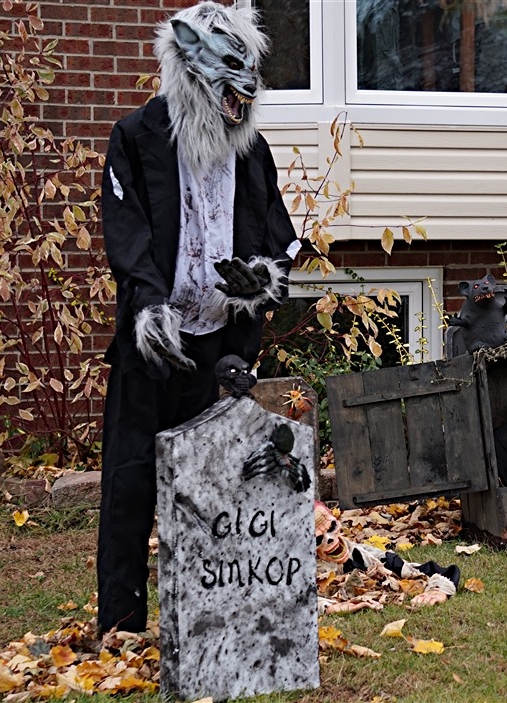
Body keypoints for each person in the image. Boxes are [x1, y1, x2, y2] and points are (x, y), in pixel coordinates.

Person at [97, 2, 299, 634]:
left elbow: (278, 238)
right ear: (188, 65)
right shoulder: (136, 137)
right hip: (153, 349)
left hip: (219, 351)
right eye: (229, 72)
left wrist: (260, 282)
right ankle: (122, 627)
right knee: (130, 485)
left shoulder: (252, 153)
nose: (244, 93)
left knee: (218, 490)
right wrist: (148, 306)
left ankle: (212, 630)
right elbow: (126, 236)